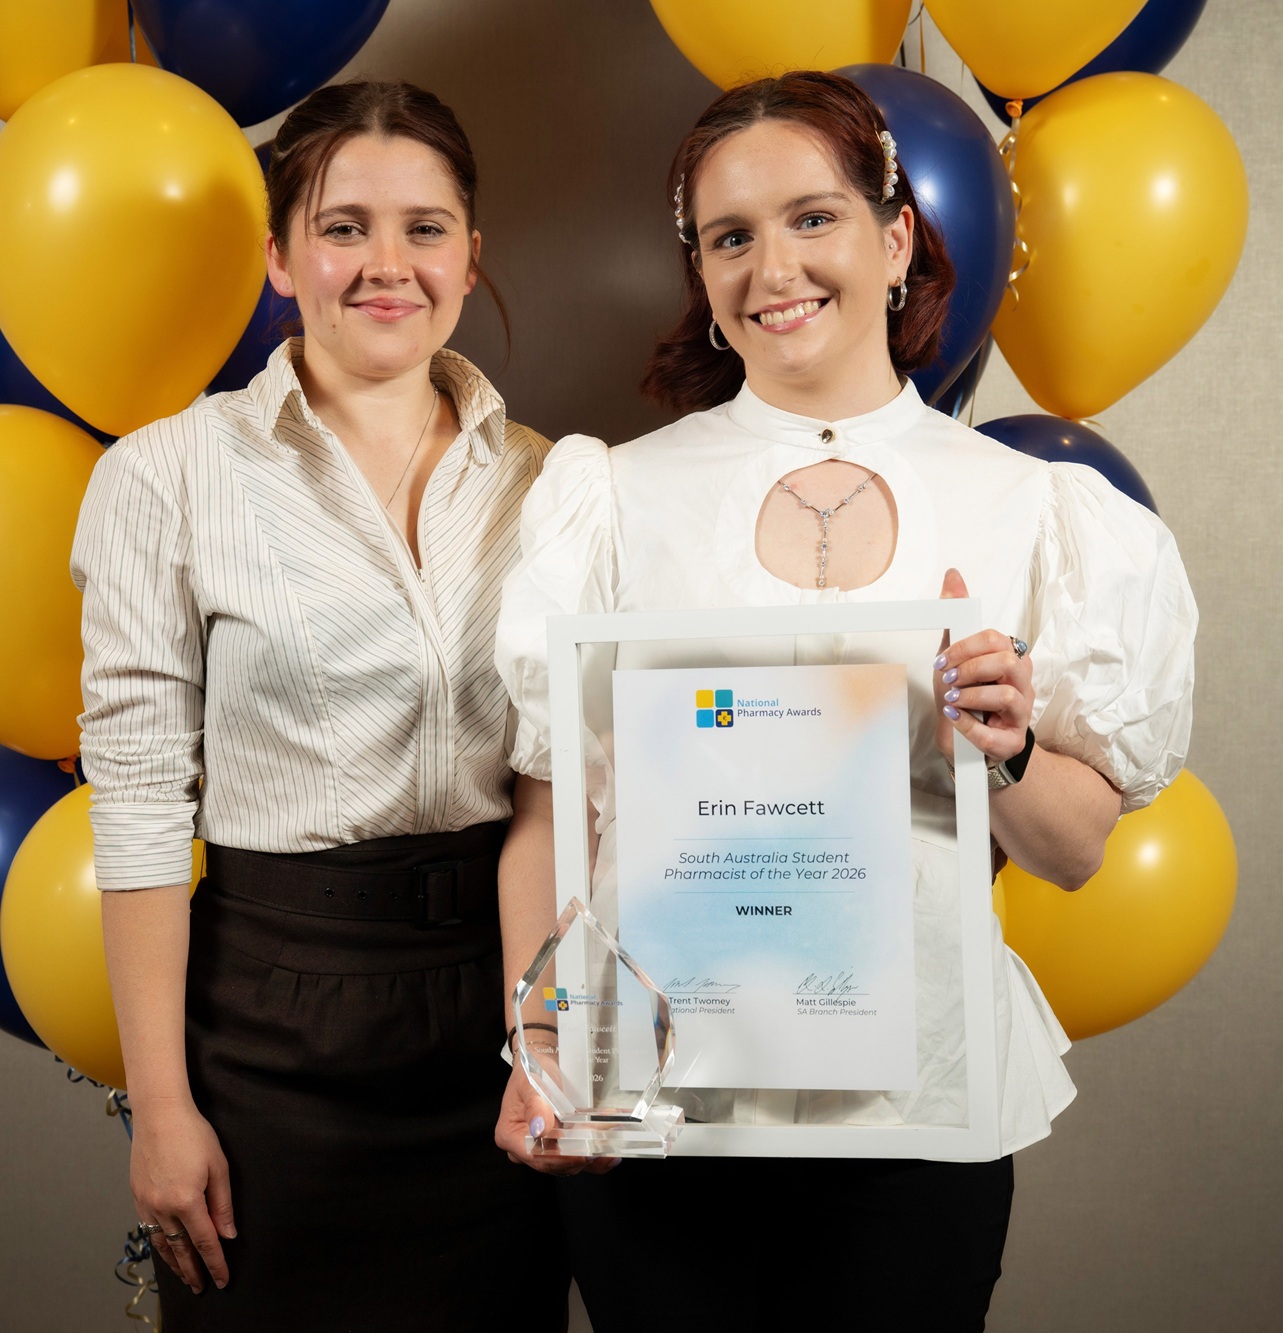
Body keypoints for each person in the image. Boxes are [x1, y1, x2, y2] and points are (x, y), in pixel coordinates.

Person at [492, 71, 1196, 1330]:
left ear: (895, 239)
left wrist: (1003, 747)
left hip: (914, 1120)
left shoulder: (1029, 507)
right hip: (661, 1110)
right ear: (701, 275)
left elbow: (1072, 852)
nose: (773, 267)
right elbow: (552, 825)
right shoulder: (610, 497)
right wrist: (543, 1050)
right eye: (729, 237)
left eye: (811, 217)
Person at [72, 81, 568, 1332]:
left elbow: (554, 789)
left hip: (496, 1015)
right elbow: (137, 806)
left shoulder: (552, 483)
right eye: (343, 227)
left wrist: (544, 1042)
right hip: (270, 1023)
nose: (386, 264)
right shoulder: (164, 476)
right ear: (280, 259)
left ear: (470, 257)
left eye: (423, 228)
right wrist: (162, 1108)